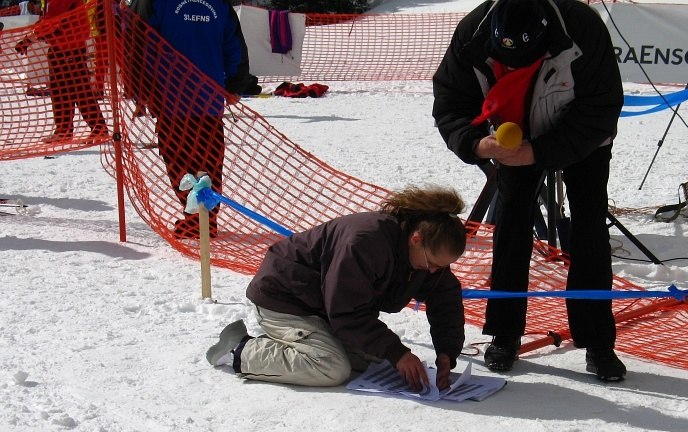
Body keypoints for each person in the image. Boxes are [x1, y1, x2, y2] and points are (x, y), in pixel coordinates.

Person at [432, 0, 626, 382]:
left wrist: (539, 152)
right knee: (510, 225)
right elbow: (451, 101)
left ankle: (598, 342)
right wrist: (476, 143)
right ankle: (504, 334)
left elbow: (601, 108)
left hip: (583, 137)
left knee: (589, 230)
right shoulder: (472, 34)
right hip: (513, 134)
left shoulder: (582, 28)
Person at [206, 186, 468, 391]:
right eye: (433, 264)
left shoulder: (424, 254)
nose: (434, 271)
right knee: (332, 367)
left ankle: (300, 343)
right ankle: (240, 348)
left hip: (322, 305)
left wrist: (447, 352)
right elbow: (346, 312)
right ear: (416, 239)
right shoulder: (365, 242)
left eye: (442, 266)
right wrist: (397, 352)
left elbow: (444, 295)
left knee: (373, 362)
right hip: (283, 298)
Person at [131, 0, 242, 239]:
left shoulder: (153, 3)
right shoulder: (219, 4)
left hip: (171, 101)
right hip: (207, 100)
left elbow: (137, 45)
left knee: (180, 162)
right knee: (209, 162)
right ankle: (205, 219)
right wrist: (236, 82)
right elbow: (235, 46)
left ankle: (197, 220)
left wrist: (139, 90)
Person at [15, 0, 108, 143]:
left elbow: (51, 21)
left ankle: (76, 130)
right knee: (73, 91)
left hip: (67, 48)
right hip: (67, 47)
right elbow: (49, 20)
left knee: (70, 92)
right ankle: (73, 130)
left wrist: (28, 40)